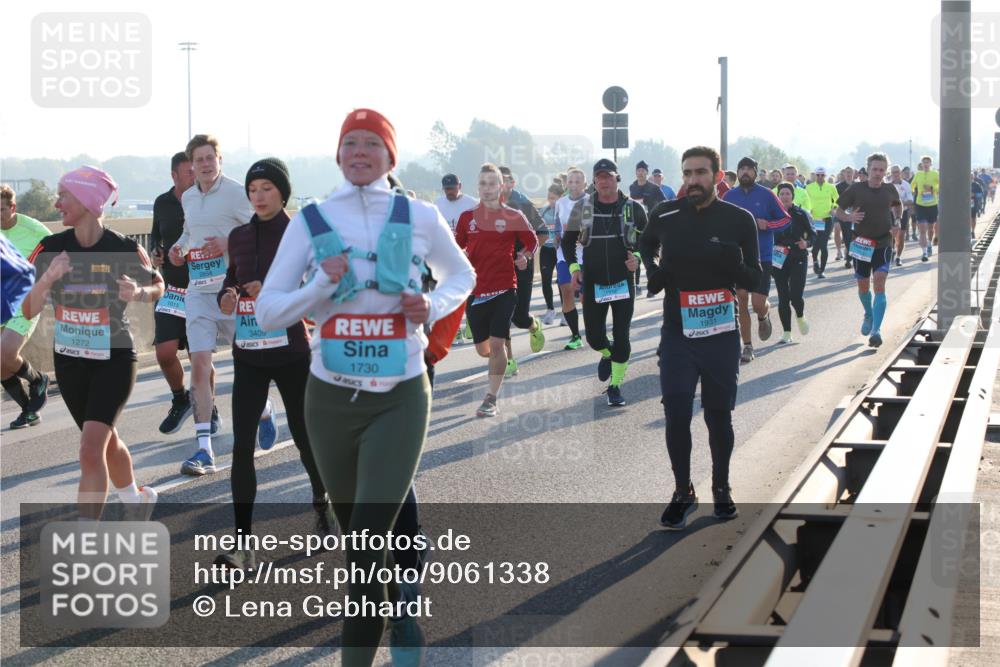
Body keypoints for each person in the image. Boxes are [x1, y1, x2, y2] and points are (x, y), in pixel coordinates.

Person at [256, 108, 474, 665]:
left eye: (371, 143)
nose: (358, 152)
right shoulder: (312, 221)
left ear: (389, 157)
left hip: (399, 396)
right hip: (328, 401)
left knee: (364, 548)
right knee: (361, 544)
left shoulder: (420, 216)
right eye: (349, 142)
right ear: (336, 154)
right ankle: (400, 608)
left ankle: (373, 638)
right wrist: (316, 293)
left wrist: (431, 307)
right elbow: (269, 311)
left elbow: (462, 275)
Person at [213, 158, 334, 571]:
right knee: (241, 448)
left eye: (266, 188)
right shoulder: (240, 235)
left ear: (282, 191)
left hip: (290, 353)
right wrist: (227, 296)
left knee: (306, 439)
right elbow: (231, 278)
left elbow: (321, 283)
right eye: (252, 189)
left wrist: (278, 289)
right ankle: (243, 544)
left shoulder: (298, 232)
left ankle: (321, 500)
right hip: (248, 353)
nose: (258, 196)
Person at [22, 166, 161, 519]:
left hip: (115, 357)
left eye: (63, 195)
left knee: (89, 447)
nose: (56, 203)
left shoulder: (123, 247)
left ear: (87, 200)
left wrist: (140, 292)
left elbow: (159, 285)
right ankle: (136, 500)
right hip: (69, 362)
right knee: (104, 438)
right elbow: (27, 309)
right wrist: (49, 278)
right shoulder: (51, 248)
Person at [641, 146, 761, 530]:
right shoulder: (666, 214)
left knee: (717, 414)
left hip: (721, 333)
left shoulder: (739, 219)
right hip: (677, 332)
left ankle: (721, 488)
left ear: (716, 174)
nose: (692, 180)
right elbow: (645, 244)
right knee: (676, 412)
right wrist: (653, 270)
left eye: (700, 173)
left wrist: (735, 263)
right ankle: (682, 492)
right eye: (687, 173)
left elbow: (757, 279)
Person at [169, 134, 275, 476]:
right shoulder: (187, 197)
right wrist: (179, 247)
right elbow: (190, 232)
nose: (204, 164)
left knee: (248, 363)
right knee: (199, 365)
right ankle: (204, 450)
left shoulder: (234, 192)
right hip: (199, 291)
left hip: (234, 290)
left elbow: (258, 229)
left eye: (209, 157)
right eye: (198, 159)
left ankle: (264, 409)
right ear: (191, 165)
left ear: (219, 159)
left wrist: (228, 242)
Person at [561, 158, 647, 406]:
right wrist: (575, 268)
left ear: (616, 178)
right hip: (594, 282)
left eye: (608, 176)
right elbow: (567, 242)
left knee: (622, 337)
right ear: (595, 181)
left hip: (623, 282)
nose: (604, 181)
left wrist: (638, 258)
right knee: (595, 338)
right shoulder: (583, 208)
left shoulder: (633, 208)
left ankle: (615, 386)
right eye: (599, 177)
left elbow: (650, 240)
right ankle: (608, 355)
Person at [455, 164, 539, 416]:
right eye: (483, 184)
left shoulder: (513, 216)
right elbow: (455, 249)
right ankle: (496, 360)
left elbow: (532, 241)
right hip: (476, 291)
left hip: (505, 288)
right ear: (477, 187)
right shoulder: (466, 218)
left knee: (497, 343)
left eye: (492, 184)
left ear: (501, 187)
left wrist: (524, 256)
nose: (487, 188)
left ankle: (491, 398)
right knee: (484, 350)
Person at [722, 157, 791, 363]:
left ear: (755, 172)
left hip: (763, 256)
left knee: (758, 302)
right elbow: (718, 222)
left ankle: (763, 315)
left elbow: (786, 219)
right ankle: (748, 346)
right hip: (739, 258)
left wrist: (768, 225)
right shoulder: (728, 196)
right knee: (741, 298)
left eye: (749, 169)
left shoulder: (767, 194)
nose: (745, 172)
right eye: (741, 168)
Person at [150, 152, 198, 434]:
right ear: (174, 176)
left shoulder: (204, 201)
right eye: (188, 172)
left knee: (199, 357)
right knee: (165, 352)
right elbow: (156, 234)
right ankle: (181, 399)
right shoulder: (162, 202)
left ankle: (207, 407)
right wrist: (156, 251)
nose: (194, 177)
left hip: (200, 290)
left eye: (196, 171)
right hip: (173, 290)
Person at [834, 153, 902, 348]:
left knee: (879, 283)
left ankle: (876, 331)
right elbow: (838, 210)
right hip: (861, 244)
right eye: (874, 169)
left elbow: (898, 207)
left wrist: (896, 221)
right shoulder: (856, 189)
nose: (878, 173)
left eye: (882, 170)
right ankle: (869, 313)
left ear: (885, 171)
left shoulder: (889, 190)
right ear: (868, 169)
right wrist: (848, 218)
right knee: (863, 286)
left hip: (883, 242)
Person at [1, 184, 51, 429]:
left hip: (28, 299)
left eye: (1, 210)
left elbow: (60, 252)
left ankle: (37, 379)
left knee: (5, 353)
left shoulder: (33, 229)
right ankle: (28, 411)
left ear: (13, 207)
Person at [498, 166, 547, 375]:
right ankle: (509, 360)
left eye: (506, 180)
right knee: (503, 314)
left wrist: (525, 255)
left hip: (522, 264)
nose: (501, 184)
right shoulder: (486, 204)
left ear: (512, 183)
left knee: (519, 317)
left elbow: (543, 234)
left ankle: (533, 325)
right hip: (499, 267)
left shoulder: (522, 203)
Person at [773, 183, 815, 343]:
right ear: (778, 196)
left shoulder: (801, 213)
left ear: (792, 196)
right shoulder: (773, 213)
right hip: (778, 259)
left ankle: (800, 315)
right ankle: (786, 333)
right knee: (783, 297)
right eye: (782, 193)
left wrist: (807, 243)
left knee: (795, 295)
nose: (784, 196)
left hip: (798, 257)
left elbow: (813, 234)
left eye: (787, 194)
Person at [554, 168, 587, 349]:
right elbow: (558, 227)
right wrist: (557, 238)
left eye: (578, 182)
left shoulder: (590, 201)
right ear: (566, 183)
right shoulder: (560, 203)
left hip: (586, 255)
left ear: (585, 184)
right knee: (566, 292)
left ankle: (595, 330)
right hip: (565, 255)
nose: (574, 185)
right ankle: (575, 336)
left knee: (585, 298)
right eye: (571, 181)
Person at [804, 167, 838, 278]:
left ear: (825, 176)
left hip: (826, 218)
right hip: (814, 219)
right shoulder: (808, 187)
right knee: (816, 243)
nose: (820, 177)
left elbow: (837, 199)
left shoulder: (831, 187)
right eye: (818, 175)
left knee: (823, 245)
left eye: (822, 175)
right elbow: (805, 202)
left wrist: (833, 208)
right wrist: (808, 210)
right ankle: (815, 261)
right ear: (815, 175)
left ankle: (822, 270)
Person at [538, 184, 563, 324]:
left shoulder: (565, 210)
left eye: (553, 198)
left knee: (561, 281)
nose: (550, 201)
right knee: (546, 280)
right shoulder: (543, 211)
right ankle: (550, 309)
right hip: (547, 249)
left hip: (560, 250)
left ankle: (565, 311)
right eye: (549, 198)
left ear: (560, 198)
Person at [911, 155, 939, 260]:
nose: (926, 164)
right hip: (920, 204)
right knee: (922, 229)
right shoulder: (918, 174)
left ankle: (930, 244)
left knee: (931, 229)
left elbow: (941, 185)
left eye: (928, 162)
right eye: (924, 162)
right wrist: (914, 191)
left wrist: (932, 188)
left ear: (930, 164)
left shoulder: (935, 174)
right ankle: (924, 253)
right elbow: (912, 185)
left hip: (932, 204)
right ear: (921, 164)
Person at [890, 165, 914, 265]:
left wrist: (900, 203)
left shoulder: (906, 185)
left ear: (900, 173)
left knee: (901, 235)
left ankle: (898, 257)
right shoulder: (888, 185)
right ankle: (892, 250)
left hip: (903, 213)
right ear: (891, 174)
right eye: (893, 172)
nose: (895, 174)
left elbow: (911, 200)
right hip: (890, 213)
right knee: (891, 235)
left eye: (897, 172)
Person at [835, 166, 856, 261]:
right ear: (844, 174)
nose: (848, 174)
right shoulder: (838, 187)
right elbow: (835, 201)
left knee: (854, 235)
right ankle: (848, 253)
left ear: (854, 173)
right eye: (847, 172)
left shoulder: (858, 185)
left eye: (850, 172)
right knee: (847, 236)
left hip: (855, 215)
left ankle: (850, 257)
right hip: (844, 215)